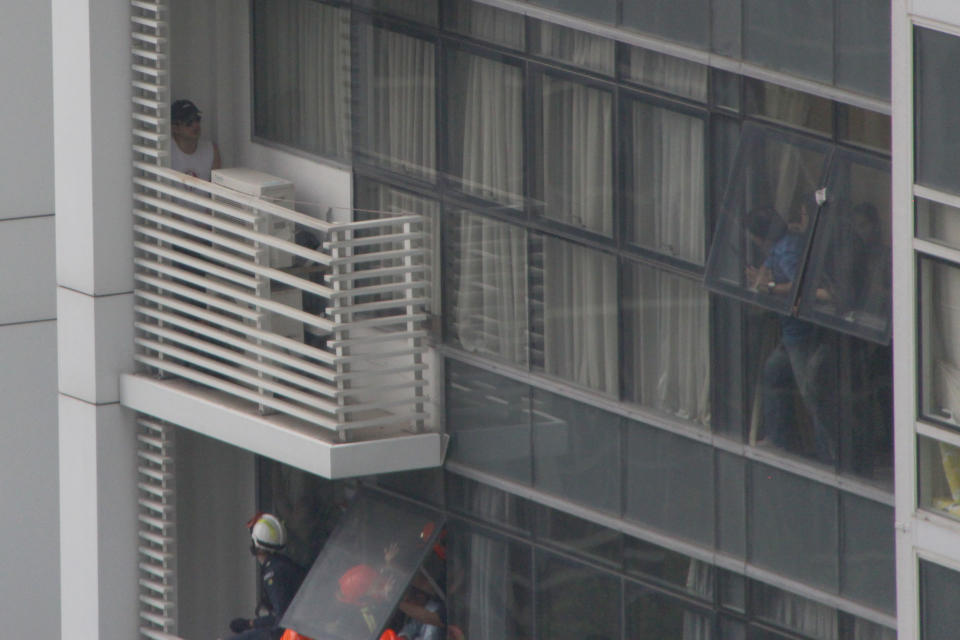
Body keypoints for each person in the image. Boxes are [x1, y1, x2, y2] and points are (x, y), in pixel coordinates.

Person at [745, 198, 838, 465]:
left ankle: (829, 457)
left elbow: (803, 285)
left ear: (761, 237)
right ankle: (778, 437)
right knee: (774, 373)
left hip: (801, 335)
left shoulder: (787, 252)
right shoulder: (785, 245)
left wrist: (770, 287)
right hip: (790, 334)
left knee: (812, 395)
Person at [229, 513, 307, 640]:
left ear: (257, 544)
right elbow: (281, 615)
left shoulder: (274, 573)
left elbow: (280, 624)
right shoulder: (282, 565)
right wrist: (251, 624)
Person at [171, 98, 221, 180]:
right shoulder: (168, 152)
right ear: (175, 128)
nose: (195, 125)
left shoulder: (211, 150)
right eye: (189, 122)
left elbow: (217, 186)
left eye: (197, 119)